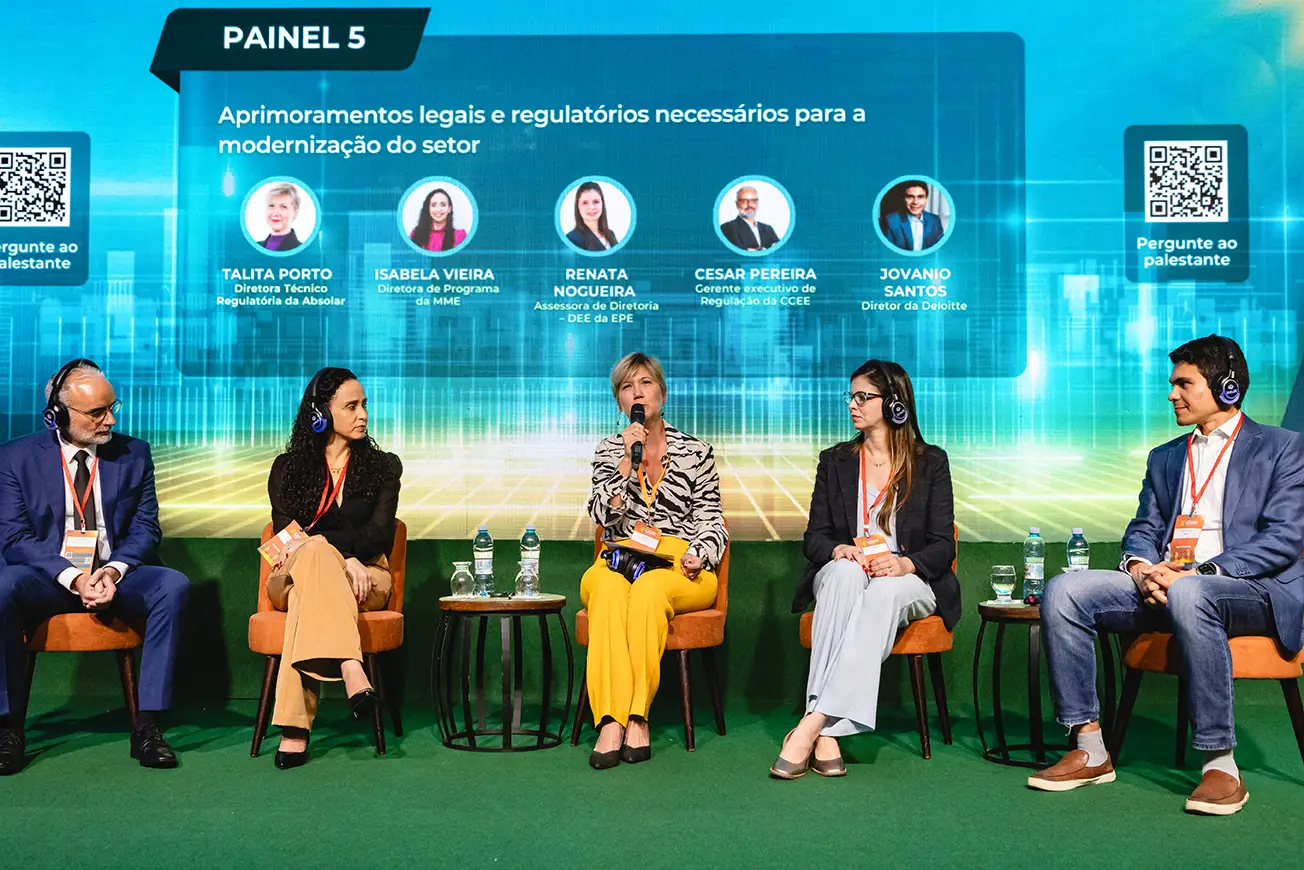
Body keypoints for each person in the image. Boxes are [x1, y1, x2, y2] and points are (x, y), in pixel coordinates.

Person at [1028, 335, 1304, 816]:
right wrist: (1141, 569)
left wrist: (1201, 572)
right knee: (1066, 589)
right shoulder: (1166, 456)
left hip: (1248, 590)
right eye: (1172, 384)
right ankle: (1089, 748)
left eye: (1184, 384)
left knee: (1193, 591)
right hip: (1169, 583)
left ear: (1227, 387)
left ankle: (1220, 764)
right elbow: (1144, 528)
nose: (1171, 394)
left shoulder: (1283, 448)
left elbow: (1283, 538)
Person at [0, 359, 191, 774]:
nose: (111, 420)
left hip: (114, 575)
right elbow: (14, 539)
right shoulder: (14, 458)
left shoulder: (134, 452)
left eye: (112, 407)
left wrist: (113, 570)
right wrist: (74, 577)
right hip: (48, 578)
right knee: (3, 586)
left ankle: (148, 726)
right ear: (57, 414)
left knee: (172, 584)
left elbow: (146, 527)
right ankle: (7, 729)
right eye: (97, 412)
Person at [772, 360, 959, 778]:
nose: (852, 405)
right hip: (850, 571)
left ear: (894, 403)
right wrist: (840, 549)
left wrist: (904, 563)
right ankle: (827, 736)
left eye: (863, 397)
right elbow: (814, 538)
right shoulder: (835, 460)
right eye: (851, 396)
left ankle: (812, 724)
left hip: (909, 579)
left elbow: (942, 545)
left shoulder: (931, 462)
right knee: (844, 574)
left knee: (885, 590)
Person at [580, 352, 728, 769]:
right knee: (607, 592)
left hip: (680, 564)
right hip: (618, 559)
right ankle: (611, 721)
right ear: (620, 402)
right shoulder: (608, 451)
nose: (638, 393)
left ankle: (637, 717)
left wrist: (700, 552)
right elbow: (602, 516)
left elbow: (712, 519)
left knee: (648, 590)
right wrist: (626, 465)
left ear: (662, 392)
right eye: (627, 387)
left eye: (645, 383)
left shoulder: (696, 451)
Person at [264, 367, 403, 770]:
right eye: (351, 406)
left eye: (364, 405)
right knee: (314, 554)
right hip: (291, 572)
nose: (363, 415)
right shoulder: (287, 468)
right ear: (321, 413)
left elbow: (379, 535)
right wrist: (338, 554)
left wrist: (331, 548)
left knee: (310, 587)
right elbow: (287, 535)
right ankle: (350, 666)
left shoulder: (383, 467)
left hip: (367, 577)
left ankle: (294, 730)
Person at [882, 180, 944, 252]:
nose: (915, 202)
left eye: (920, 197)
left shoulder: (934, 220)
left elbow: (940, 250)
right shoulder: (891, 221)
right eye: (910, 197)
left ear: (926, 199)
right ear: (904, 199)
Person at [720, 184, 780, 251]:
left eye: (753, 201)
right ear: (737, 204)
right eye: (744, 201)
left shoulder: (767, 229)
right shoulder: (727, 228)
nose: (749, 205)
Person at [565, 181, 620, 252]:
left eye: (596, 202)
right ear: (578, 207)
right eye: (585, 203)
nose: (591, 207)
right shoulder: (571, 239)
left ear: (602, 204)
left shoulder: (610, 234)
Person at [409, 187, 467, 252]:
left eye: (443, 205)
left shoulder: (460, 236)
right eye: (434, 205)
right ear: (428, 209)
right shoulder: (415, 233)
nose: (438, 209)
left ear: (449, 209)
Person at [259, 182, 303, 252]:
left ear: (295, 212)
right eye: (271, 206)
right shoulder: (254, 247)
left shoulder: (302, 250)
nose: (275, 213)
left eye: (283, 207)